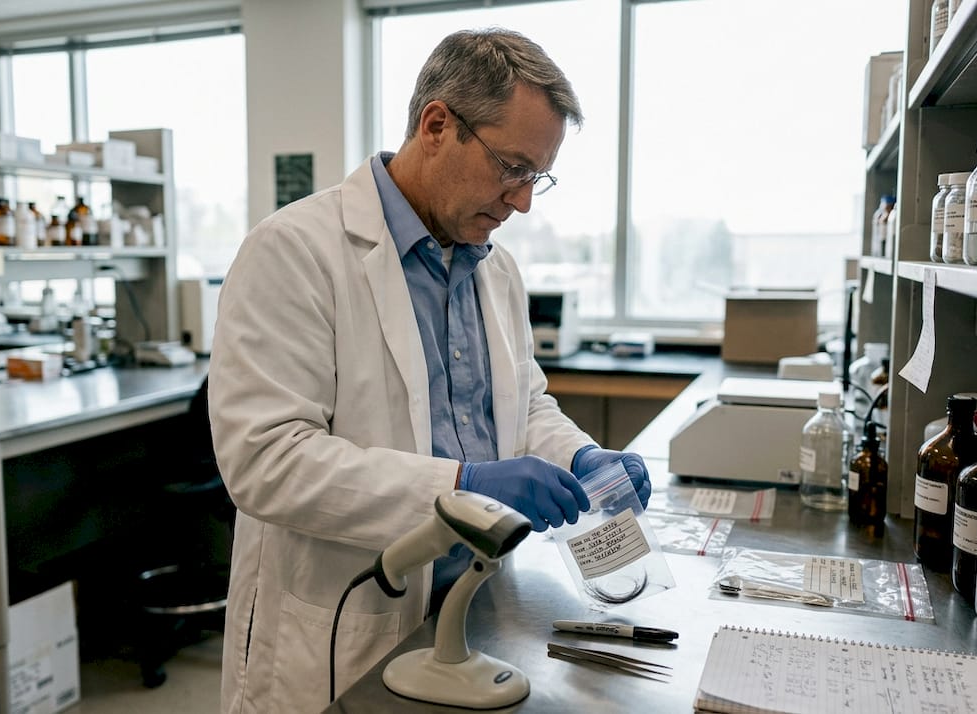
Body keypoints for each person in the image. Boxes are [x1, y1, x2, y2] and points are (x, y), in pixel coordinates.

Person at [209, 27, 652, 713]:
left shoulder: (494, 268)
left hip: (473, 610)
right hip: (345, 622)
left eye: (537, 176)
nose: (523, 201)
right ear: (437, 124)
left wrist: (582, 456)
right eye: (512, 167)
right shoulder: (293, 252)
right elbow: (267, 463)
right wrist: (461, 485)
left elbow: (524, 403)